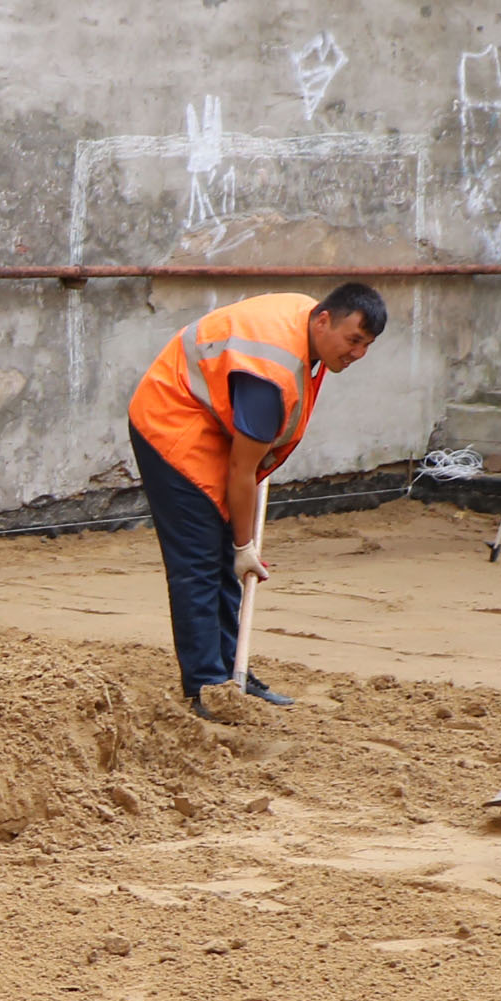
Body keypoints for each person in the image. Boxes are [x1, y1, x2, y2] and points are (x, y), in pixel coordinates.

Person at [124, 280, 387, 713]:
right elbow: (242, 471)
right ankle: (207, 687)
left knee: (222, 562)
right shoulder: (270, 375)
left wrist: (236, 547)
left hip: (211, 421)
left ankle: (232, 672)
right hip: (171, 423)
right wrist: (243, 547)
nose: (358, 353)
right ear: (324, 320)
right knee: (199, 564)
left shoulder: (305, 322)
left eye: (367, 345)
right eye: (353, 340)